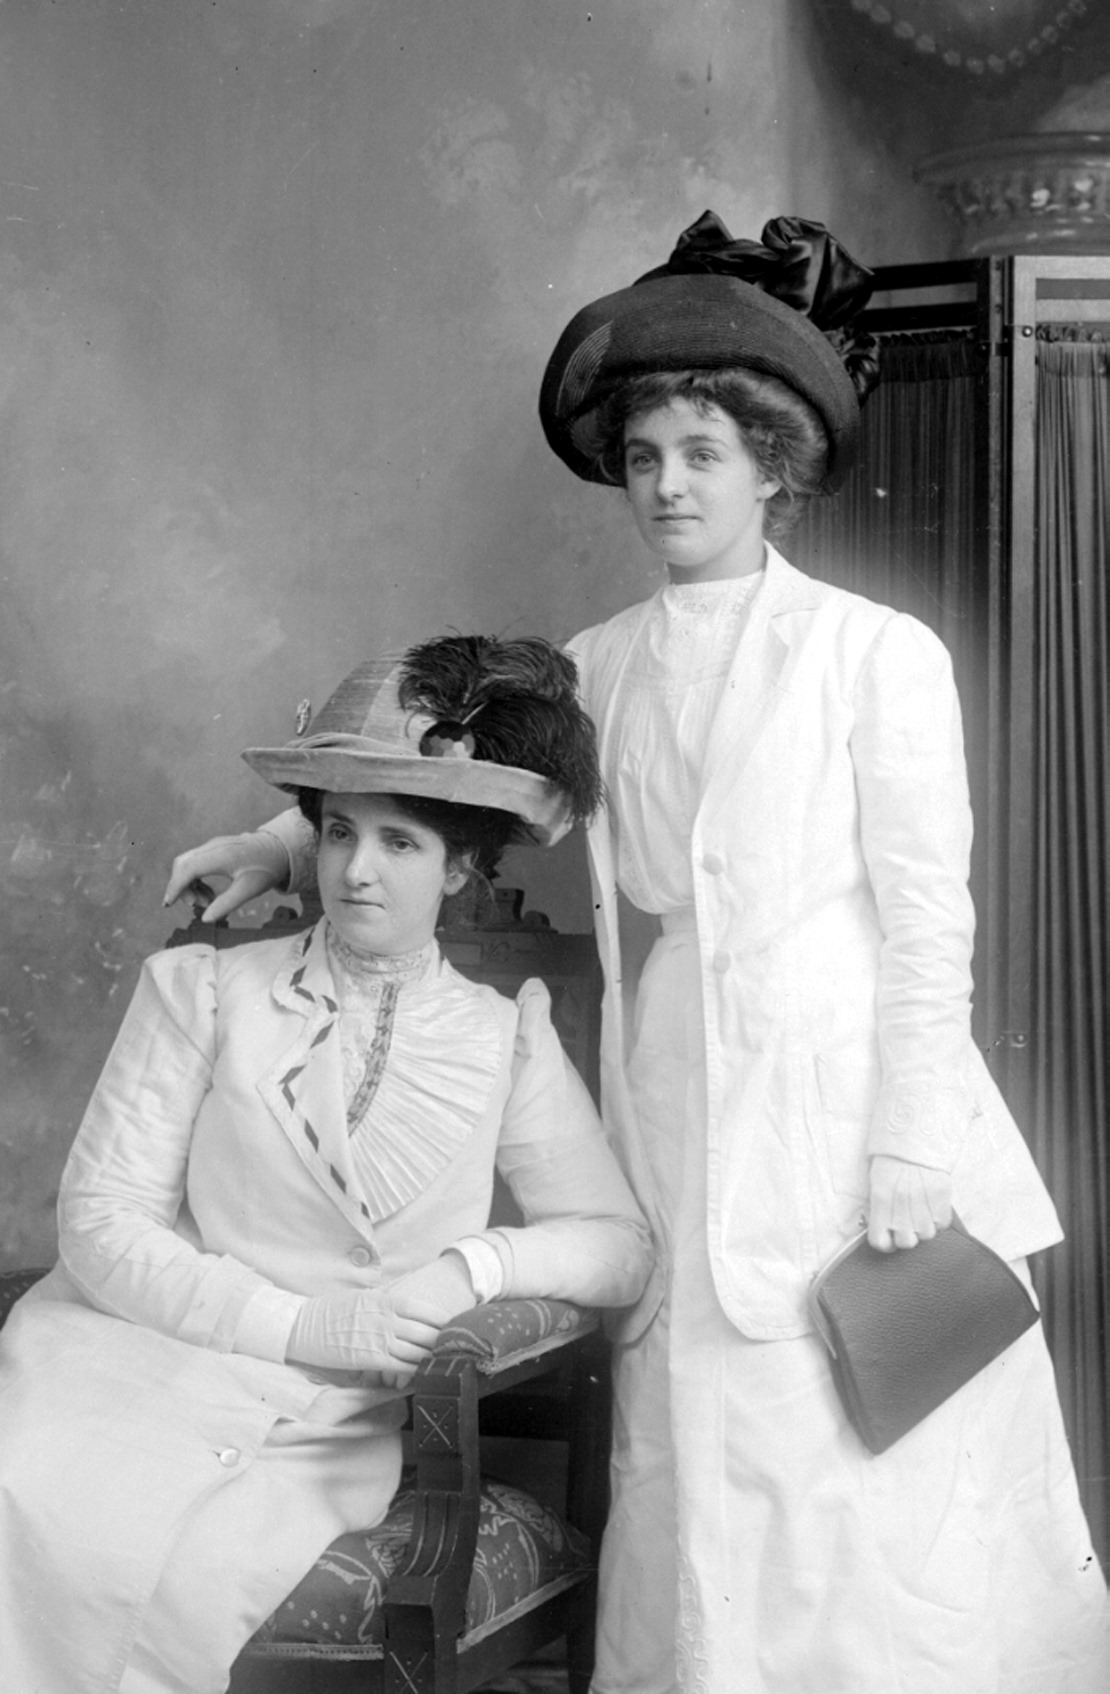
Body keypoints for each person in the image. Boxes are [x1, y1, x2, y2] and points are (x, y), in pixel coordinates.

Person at [164, 214, 1108, 1694]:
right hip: (670, 1091)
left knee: (855, 1441)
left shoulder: (874, 654)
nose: (668, 485)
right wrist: (275, 847)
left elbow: (931, 921)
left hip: (846, 1089)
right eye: (647, 456)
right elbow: (443, 778)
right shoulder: (594, 665)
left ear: (772, 469)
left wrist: (908, 1141)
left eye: (703, 457)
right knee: (703, 1426)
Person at [0, 634, 652, 1694]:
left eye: (401, 842)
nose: (355, 869)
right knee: (30, 1502)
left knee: (198, 1561)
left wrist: (471, 1270)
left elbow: (619, 1245)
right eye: (340, 831)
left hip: (324, 1422)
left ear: (465, 865)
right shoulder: (204, 992)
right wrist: (297, 1321)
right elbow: (102, 1219)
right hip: (136, 1363)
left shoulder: (504, 1036)